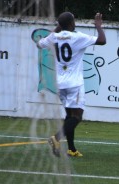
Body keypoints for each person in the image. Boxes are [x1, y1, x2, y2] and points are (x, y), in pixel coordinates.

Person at [37, 12, 106, 157]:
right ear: (71, 23)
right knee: (77, 117)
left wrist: (57, 28)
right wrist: (99, 26)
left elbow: (39, 44)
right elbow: (102, 40)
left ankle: (71, 149)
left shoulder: (53, 37)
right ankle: (56, 138)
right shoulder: (78, 37)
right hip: (75, 84)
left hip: (60, 84)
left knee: (69, 116)